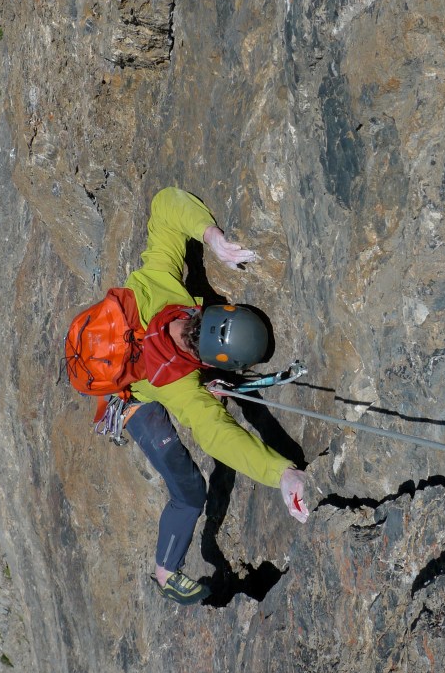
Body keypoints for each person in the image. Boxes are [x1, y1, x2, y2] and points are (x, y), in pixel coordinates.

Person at [119, 186, 308, 605]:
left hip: (139, 363)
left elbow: (163, 205)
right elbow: (215, 434)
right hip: (131, 400)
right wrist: (281, 474)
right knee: (189, 492)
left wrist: (212, 239)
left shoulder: (156, 286)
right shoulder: (177, 386)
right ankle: (165, 571)